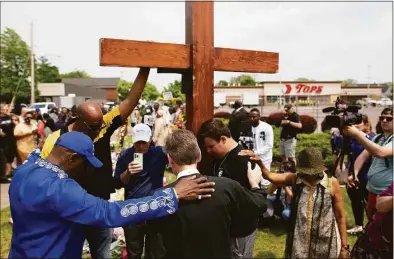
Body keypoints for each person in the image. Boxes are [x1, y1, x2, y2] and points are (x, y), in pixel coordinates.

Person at [9, 131, 215, 259]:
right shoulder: (59, 188)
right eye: (86, 164)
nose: (88, 170)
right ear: (72, 158)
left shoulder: (25, 170)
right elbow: (109, 213)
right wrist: (171, 195)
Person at [40, 68, 157, 259]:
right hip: (70, 209)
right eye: (93, 128)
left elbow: (130, 101)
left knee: (102, 254)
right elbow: (46, 177)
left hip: (98, 206)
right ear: (78, 121)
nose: (98, 131)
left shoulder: (101, 126)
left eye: (100, 126)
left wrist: (145, 68)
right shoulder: (55, 141)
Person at [151, 130, 268, 259]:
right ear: (200, 155)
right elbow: (259, 205)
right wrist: (255, 184)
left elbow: (156, 247)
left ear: (170, 159)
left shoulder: (162, 197)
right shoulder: (226, 187)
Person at [239, 147, 349, 259]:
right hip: (301, 240)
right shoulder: (296, 179)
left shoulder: (332, 183)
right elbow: (272, 177)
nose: (309, 175)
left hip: (326, 239)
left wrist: (344, 247)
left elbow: (340, 217)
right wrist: (259, 163)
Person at [198, 118, 258, 258]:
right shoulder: (220, 157)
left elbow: (251, 201)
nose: (207, 151)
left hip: (240, 229)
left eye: (210, 146)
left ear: (223, 139)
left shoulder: (244, 160)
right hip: (224, 227)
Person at [113, 124, 168, 259]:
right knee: (134, 252)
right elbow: (117, 184)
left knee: (155, 252)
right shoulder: (126, 155)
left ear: (150, 140)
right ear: (133, 141)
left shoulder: (159, 153)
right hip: (133, 210)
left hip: (154, 209)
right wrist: (128, 172)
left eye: (144, 142)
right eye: (138, 143)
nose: (141, 146)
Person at [344, 107, 393, 222]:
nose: (384, 121)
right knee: (373, 224)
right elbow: (362, 157)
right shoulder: (378, 138)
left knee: (386, 228)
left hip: (389, 193)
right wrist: (354, 174)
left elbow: (381, 152)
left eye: (389, 118)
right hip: (373, 190)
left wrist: (357, 134)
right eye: (382, 118)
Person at [343, 115, 375, 234]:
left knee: (370, 201)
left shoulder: (372, 138)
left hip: (367, 173)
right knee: (355, 199)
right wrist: (348, 172)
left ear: (366, 124)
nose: (356, 126)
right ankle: (358, 225)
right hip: (354, 173)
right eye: (354, 124)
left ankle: (374, 225)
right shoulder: (352, 140)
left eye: (358, 123)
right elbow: (350, 157)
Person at [249, 108, 274, 193]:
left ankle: (266, 203)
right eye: (250, 117)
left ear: (259, 116)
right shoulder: (249, 127)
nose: (252, 119)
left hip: (265, 159)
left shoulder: (267, 127)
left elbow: (269, 145)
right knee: (254, 181)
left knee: (265, 182)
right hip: (252, 158)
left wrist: (255, 152)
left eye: (254, 117)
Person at [0, 104, 14, 183]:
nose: (8, 110)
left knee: (10, 157)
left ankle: (7, 174)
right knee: (3, 157)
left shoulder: (9, 117)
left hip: (10, 139)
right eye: (6, 109)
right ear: (1, 110)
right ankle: (3, 176)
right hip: (2, 141)